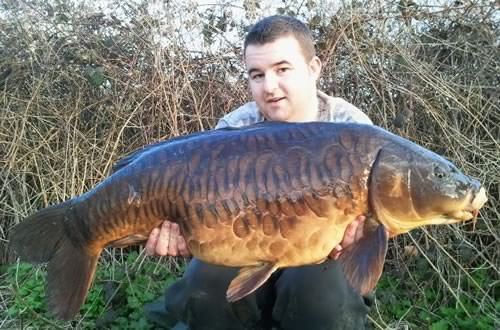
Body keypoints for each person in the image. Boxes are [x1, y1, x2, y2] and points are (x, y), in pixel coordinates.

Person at [144, 15, 374, 329]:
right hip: (245, 249)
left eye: (282, 70)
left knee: (318, 294)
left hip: (322, 257)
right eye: (257, 74)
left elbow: (374, 222)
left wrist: (358, 238)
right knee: (205, 283)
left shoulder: (352, 130)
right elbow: (207, 218)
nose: (269, 87)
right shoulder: (233, 130)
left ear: (313, 69)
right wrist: (184, 232)